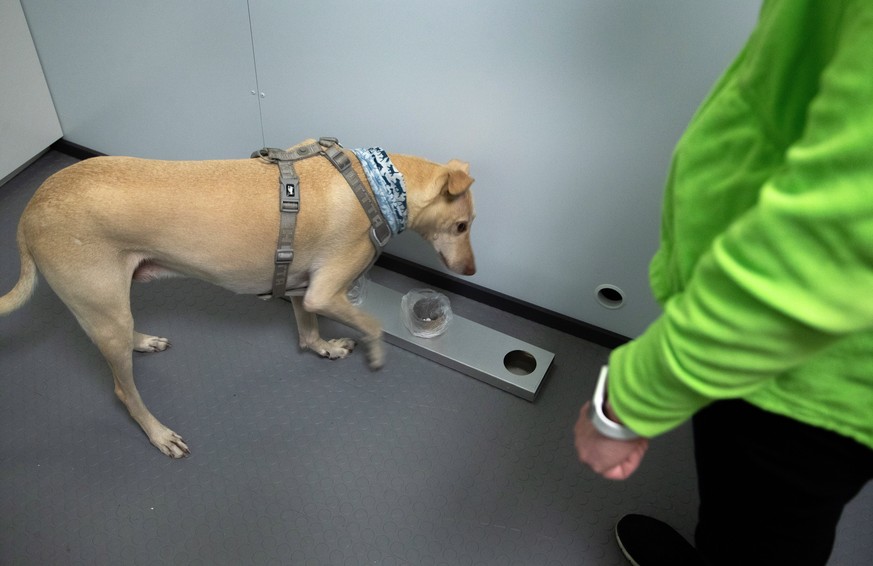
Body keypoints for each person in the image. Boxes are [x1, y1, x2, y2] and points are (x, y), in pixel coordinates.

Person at [574, 2, 873, 565]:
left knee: (767, 533)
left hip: (809, 378)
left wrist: (622, 407)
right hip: (801, 358)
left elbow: (827, 257)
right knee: (745, 519)